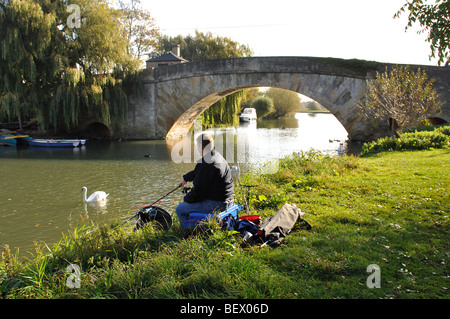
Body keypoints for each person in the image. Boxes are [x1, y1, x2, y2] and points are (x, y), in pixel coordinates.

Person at [175, 133, 234, 227]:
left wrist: (185, 199)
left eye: (197, 146)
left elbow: (198, 193)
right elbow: (197, 171)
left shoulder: (208, 164)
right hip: (228, 200)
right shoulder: (215, 156)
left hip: (218, 204)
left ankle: (187, 231)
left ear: (200, 146)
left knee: (180, 208)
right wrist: (185, 178)